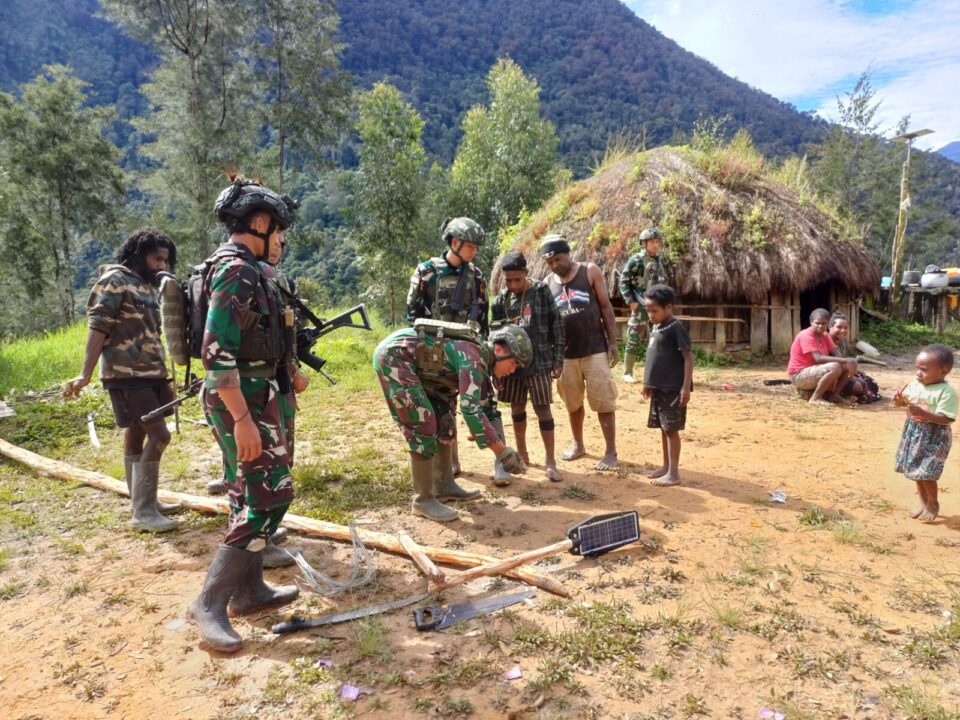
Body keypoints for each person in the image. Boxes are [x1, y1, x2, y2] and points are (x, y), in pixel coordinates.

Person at [188, 178, 300, 653]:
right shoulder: (238, 270)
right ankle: (210, 603)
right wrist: (241, 419)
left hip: (258, 390)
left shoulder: (249, 269)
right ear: (258, 224)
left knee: (248, 491)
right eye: (277, 230)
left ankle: (249, 591)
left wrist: (286, 370)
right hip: (242, 399)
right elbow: (216, 352)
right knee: (269, 497)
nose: (281, 240)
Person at [64, 228, 181, 533]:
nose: (162, 265)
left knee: (136, 435)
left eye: (165, 260)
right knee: (160, 435)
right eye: (157, 258)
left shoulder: (144, 285)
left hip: (151, 372)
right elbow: (98, 328)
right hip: (127, 375)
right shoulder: (114, 281)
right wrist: (85, 373)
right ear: (138, 255)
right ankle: (143, 512)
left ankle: (145, 502)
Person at [373, 323, 529, 522]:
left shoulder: (479, 356)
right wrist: (503, 453)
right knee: (423, 423)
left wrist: (446, 416)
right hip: (394, 358)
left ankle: (444, 486)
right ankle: (423, 500)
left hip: (416, 365)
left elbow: (451, 387)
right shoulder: (474, 361)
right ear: (498, 350)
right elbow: (471, 410)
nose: (513, 370)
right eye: (514, 363)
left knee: (445, 423)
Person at [406, 218, 510, 485]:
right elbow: (413, 317)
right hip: (436, 354)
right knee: (443, 407)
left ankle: (502, 463)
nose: (473, 252)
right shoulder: (426, 272)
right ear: (454, 243)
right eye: (470, 246)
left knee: (485, 404)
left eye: (476, 247)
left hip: (471, 350)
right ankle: (450, 465)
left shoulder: (475, 276)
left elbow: (483, 320)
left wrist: (487, 357)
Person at [541, 234, 620, 470]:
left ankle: (610, 451)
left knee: (603, 401)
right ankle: (578, 444)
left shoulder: (590, 271)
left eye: (558, 259)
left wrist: (613, 342)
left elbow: (606, 307)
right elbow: (548, 321)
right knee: (572, 403)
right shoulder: (547, 283)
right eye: (551, 262)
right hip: (565, 355)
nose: (556, 265)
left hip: (594, 349)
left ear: (567, 253)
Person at [491, 251, 565, 482]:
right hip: (512, 368)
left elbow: (557, 324)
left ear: (526, 273)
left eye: (517, 279)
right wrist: (496, 368)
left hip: (541, 362)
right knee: (516, 408)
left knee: (543, 408)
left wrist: (558, 358)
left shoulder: (541, 292)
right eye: (508, 280)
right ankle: (522, 454)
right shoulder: (502, 300)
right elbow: (495, 336)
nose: (513, 284)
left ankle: (550, 461)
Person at [893, 344, 957, 522]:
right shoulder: (915, 385)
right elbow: (902, 403)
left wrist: (924, 414)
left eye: (924, 370)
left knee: (926, 471)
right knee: (916, 470)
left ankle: (933, 503)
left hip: (935, 436)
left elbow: (947, 418)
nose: (918, 373)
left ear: (943, 371)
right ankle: (923, 501)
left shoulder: (947, 392)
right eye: (917, 368)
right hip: (914, 433)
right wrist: (898, 400)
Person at [642, 285, 693, 486]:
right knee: (663, 428)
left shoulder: (676, 327)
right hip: (659, 387)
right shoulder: (656, 326)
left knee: (671, 429)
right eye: (648, 310)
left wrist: (685, 387)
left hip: (673, 387)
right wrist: (648, 383)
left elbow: (688, 358)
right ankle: (665, 467)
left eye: (654, 310)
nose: (651, 314)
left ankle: (674, 473)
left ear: (668, 307)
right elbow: (653, 357)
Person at [619, 228, 667, 383]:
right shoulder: (636, 260)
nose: (656, 245)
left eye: (657, 242)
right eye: (652, 242)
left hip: (657, 306)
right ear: (644, 243)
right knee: (634, 337)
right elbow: (624, 281)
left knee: (659, 338)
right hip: (640, 305)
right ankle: (627, 372)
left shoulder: (659, 261)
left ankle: (656, 372)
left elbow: (662, 281)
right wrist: (631, 302)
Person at [786, 308, 857, 405]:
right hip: (799, 375)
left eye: (823, 323)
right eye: (817, 323)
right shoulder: (806, 335)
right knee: (836, 366)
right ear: (811, 322)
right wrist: (843, 362)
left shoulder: (825, 335)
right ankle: (815, 398)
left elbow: (837, 353)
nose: (820, 326)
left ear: (828, 323)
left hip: (815, 371)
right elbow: (818, 358)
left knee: (852, 362)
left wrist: (846, 364)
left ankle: (835, 395)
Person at [828, 313, 880, 404]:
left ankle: (851, 393)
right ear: (830, 327)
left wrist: (856, 372)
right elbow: (835, 366)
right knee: (858, 387)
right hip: (833, 376)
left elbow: (844, 362)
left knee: (872, 384)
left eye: (845, 328)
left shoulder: (841, 342)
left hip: (844, 373)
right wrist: (853, 378)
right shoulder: (826, 342)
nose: (843, 330)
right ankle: (837, 394)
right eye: (839, 327)